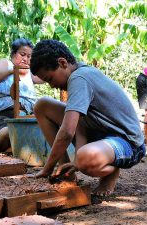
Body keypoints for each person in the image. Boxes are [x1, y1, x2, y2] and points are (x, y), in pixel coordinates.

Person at [30, 39, 146, 196]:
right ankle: (65, 173)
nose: (51, 85)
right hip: (101, 134)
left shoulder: (79, 78)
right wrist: (73, 162)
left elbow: (67, 133)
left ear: (63, 63)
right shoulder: (78, 74)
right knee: (42, 105)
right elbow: (80, 125)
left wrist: (47, 169)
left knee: (85, 159)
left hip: (129, 143)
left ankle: (111, 172)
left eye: (50, 78)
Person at [0, 38, 44, 153]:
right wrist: (14, 70)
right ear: (13, 54)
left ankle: (9, 154)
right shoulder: (6, 64)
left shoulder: (29, 72)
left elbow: (45, 76)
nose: (25, 59)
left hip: (22, 116)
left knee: (37, 129)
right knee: (8, 131)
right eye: (22, 54)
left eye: (29, 56)